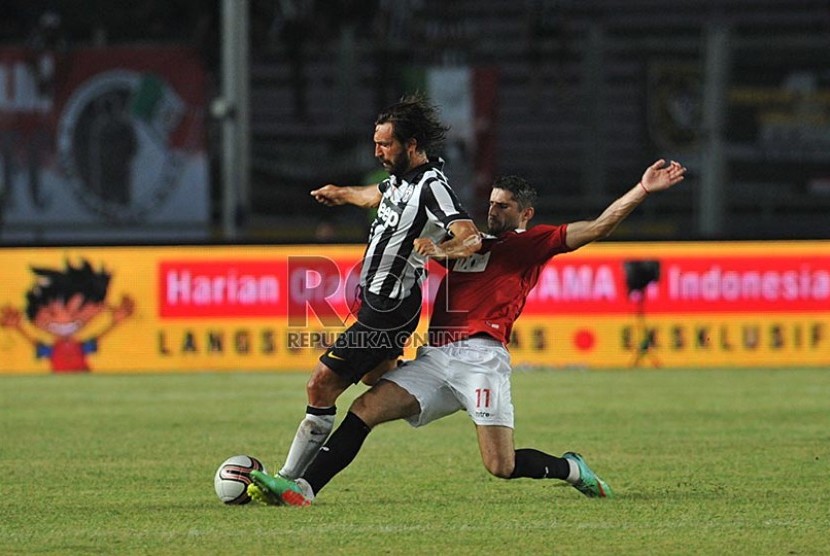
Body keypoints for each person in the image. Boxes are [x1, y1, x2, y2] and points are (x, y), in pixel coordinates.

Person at [250, 159, 687, 506]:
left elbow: (598, 227)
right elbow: (393, 203)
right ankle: (303, 489)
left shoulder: (530, 244)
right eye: (492, 203)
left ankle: (571, 469)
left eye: (504, 206)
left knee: (500, 465)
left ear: (525, 214)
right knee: (365, 407)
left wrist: (642, 189)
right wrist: (347, 196)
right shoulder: (466, 240)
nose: (493, 210)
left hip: (482, 361)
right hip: (437, 357)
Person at [276, 94, 481, 481]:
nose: (378, 152)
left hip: (390, 309)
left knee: (320, 385)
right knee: (374, 378)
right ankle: (447, 383)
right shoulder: (400, 182)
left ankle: (286, 480)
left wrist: (439, 248)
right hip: (377, 304)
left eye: (385, 144)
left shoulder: (432, 186)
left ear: (412, 145)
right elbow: (375, 196)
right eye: (376, 143)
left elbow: (471, 238)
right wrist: (341, 193)